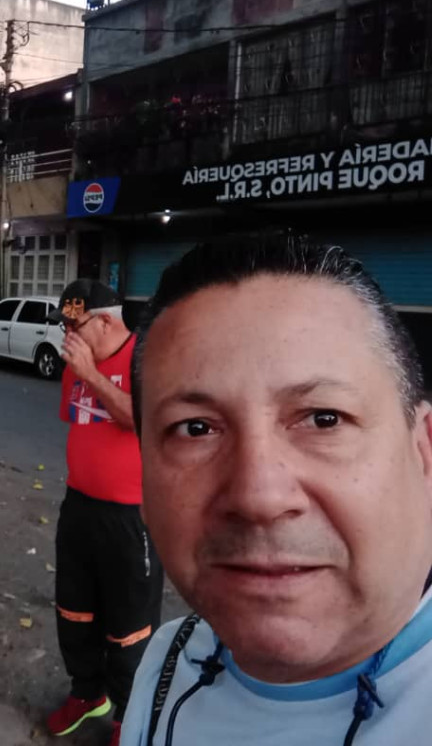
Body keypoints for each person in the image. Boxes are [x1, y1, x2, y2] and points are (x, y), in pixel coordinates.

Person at [122, 235, 432, 745]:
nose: (258, 497)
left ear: (423, 453)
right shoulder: (167, 665)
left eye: (323, 419)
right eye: (195, 429)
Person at [45, 279, 163, 745]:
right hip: (79, 507)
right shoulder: (77, 362)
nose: (67, 336)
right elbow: (80, 424)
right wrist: (83, 369)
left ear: (106, 320)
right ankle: (87, 693)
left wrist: (92, 374)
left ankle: (127, 717)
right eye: (64, 327)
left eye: (74, 326)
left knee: (129, 624)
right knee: (74, 610)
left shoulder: (144, 358)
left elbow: (143, 420)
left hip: (132, 517)